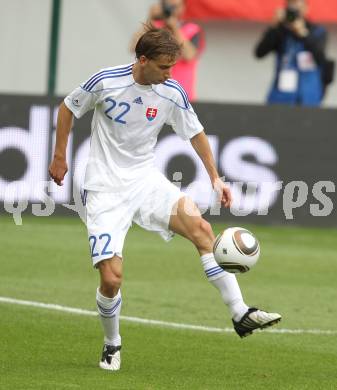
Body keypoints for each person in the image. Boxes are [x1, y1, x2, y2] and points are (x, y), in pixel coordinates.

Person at [49, 26, 281, 372]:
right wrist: (59, 156)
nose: (170, 74)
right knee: (111, 279)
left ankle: (240, 313)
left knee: (202, 229)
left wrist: (216, 177)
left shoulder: (171, 92)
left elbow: (195, 132)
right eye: (164, 67)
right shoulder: (106, 81)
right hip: (104, 189)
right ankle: (112, 344)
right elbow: (68, 108)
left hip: (146, 181)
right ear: (142, 60)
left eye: (172, 67)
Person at [254, 0, 330, 106]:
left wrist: (302, 33)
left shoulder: (317, 31)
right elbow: (259, 53)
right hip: (281, 95)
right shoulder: (281, 30)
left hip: (308, 95)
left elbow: (320, 57)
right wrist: (273, 26)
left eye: (299, 8)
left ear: (306, 8)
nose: (296, 12)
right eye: (292, 8)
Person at [130, 0, 205, 101]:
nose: (172, 10)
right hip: (152, 92)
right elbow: (134, 47)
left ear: (183, 7)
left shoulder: (192, 29)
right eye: (168, 6)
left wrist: (174, 27)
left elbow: (190, 55)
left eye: (175, 6)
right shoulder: (155, 26)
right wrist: (150, 18)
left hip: (180, 94)